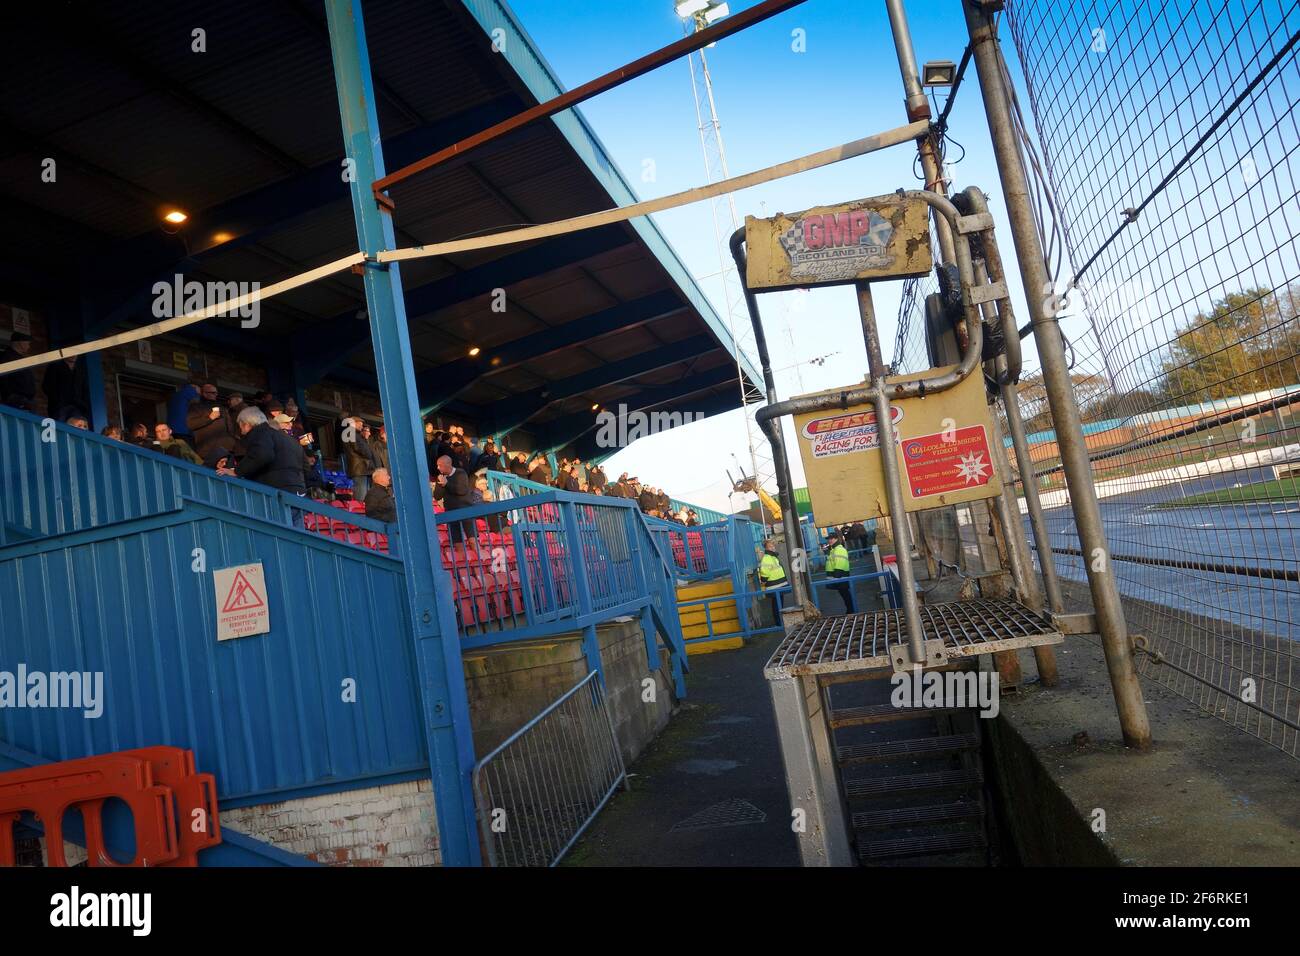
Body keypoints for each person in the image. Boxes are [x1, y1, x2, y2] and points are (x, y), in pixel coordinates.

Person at [219, 407, 306, 494]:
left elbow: (262, 455)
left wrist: (237, 471)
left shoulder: (261, 434)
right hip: (297, 488)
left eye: (240, 427)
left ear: (247, 424)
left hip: (276, 488)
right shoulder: (289, 439)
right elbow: (306, 466)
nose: (241, 432)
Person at [187, 382, 238, 468]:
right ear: (204, 393)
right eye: (213, 393)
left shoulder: (222, 408)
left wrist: (233, 442)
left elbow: (230, 427)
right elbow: (190, 424)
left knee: (229, 476)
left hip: (227, 448)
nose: (216, 395)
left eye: (216, 393)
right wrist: (210, 418)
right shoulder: (195, 407)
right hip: (208, 450)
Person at [433, 453, 475, 544]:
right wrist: (441, 485)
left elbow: (462, 490)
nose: (438, 468)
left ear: (448, 464)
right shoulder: (441, 478)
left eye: (439, 465)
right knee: (457, 542)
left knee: (472, 541)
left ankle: (479, 556)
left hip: (465, 511)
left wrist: (446, 484)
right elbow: (437, 496)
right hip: (451, 513)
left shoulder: (461, 473)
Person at [41, 355, 90, 422]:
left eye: (76, 353)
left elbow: (84, 389)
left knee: (75, 429)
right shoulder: (55, 366)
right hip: (60, 407)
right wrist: (57, 400)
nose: (74, 355)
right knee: (60, 429)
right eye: (71, 352)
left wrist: (82, 405)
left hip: (77, 407)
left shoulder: (79, 370)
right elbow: (47, 386)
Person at [339, 414, 375, 503]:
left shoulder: (354, 433)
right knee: (361, 496)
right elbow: (357, 448)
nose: (362, 426)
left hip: (362, 468)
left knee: (364, 495)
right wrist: (369, 454)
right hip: (359, 468)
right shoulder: (351, 432)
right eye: (360, 424)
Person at [0, 331, 37, 411]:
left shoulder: (20, 358)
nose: (29, 346)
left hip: (26, 401)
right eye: (28, 343)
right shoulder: (6, 357)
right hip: (15, 402)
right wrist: (10, 396)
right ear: (20, 343)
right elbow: (3, 379)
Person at [824, 532, 856, 614]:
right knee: (845, 595)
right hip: (839, 577)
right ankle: (850, 611)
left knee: (846, 595)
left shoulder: (839, 550)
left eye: (832, 538)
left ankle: (851, 611)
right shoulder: (834, 550)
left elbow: (839, 564)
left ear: (836, 539)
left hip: (840, 577)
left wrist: (836, 577)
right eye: (828, 539)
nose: (829, 540)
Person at [759, 539, 788, 624]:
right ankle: (778, 622)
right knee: (776, 605)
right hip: (774, 586)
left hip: (779, 584)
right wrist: (763, 585)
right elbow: (764, 573)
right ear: (766, 548)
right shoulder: (767, 558)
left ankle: (780, 621)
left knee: (779, 604)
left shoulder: (773, 557)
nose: (773, 547)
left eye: (773, 545)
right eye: (770, 546)